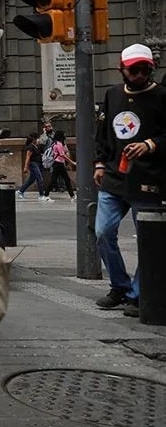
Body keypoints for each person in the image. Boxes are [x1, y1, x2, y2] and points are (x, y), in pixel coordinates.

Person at [92, 43, 166, 318]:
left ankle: (138, 293)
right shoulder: (112, 95)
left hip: (148, 179)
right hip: (113, 177)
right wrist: (100, 163)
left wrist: (151, 144)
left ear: (150, 69)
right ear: (121, 68)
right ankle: (119, 286)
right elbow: (102, 132)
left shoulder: (161, 96)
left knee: (148, 239)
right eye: (132, 69)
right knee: (102, 232)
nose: (137, 75)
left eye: (143, 69)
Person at [42, 130, 76, 200]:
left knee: (55, 179)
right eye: (64, 134)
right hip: (59, 163)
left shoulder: (55, 143)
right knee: (65, 179)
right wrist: (72, 162)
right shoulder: (59, 144)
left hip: (57, 163)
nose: (65, 136)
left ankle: (46, 195)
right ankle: (72, 195)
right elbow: (62, 154)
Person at [17, 133, 49, 201]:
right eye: (37, 138)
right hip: (33, 164)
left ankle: (21, 191)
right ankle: (41, 195)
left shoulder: (36, 146)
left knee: (31, 180)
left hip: (37, 164)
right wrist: (25, 167)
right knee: (40, 179)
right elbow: (28, 157)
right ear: (34, 139)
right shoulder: (30, 147)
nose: (38, 140)